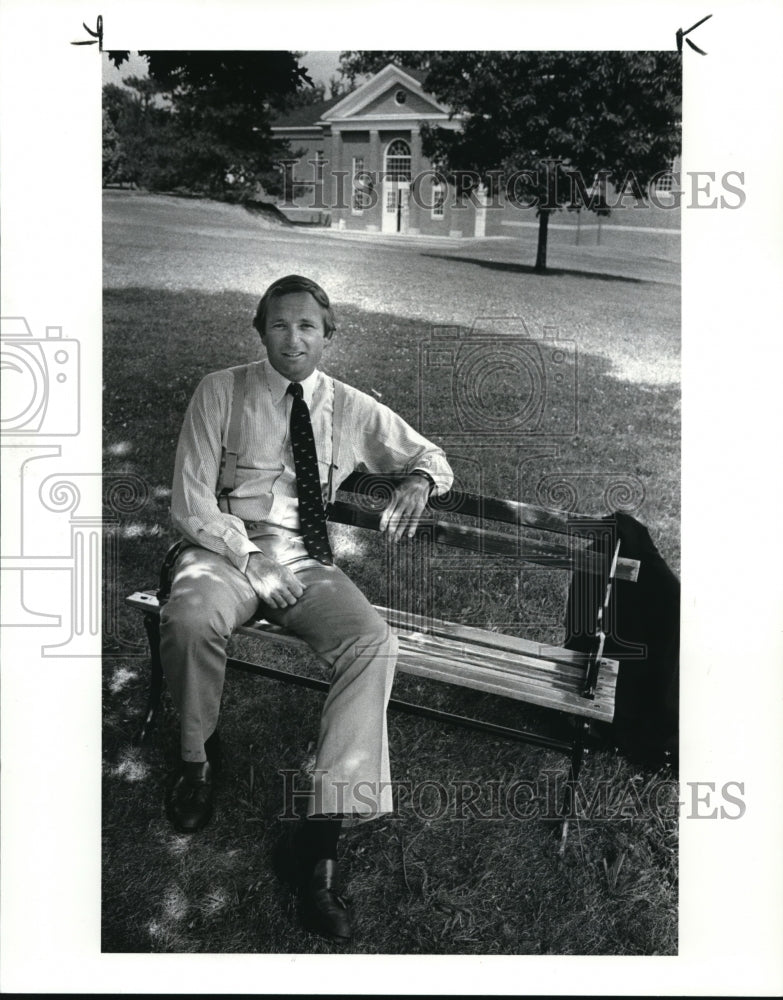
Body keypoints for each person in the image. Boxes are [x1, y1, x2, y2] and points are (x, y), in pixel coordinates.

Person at [159, 274, 453, 942]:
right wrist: (248, 559)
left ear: (328, 335)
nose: (294, 339)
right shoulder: (220, 391)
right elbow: (188, 501)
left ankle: (320, 835)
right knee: (190, 617)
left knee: (372, 644)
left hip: (301, 560)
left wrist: (417, 479)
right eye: (280, 325)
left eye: (308, 327)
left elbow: (429, 452)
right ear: (261, 331)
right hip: (223, 551)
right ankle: (197, 760)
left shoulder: (349, 406)